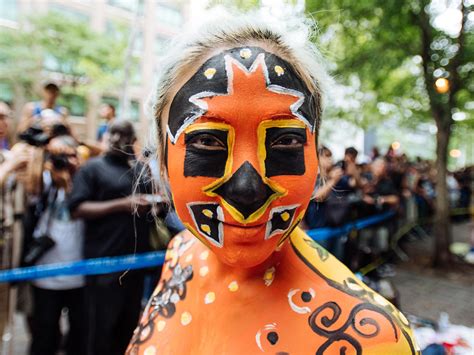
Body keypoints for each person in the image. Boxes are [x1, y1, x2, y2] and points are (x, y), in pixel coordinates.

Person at [127, 15, 418, 354]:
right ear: (163, 157)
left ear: (314, 154)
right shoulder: (182, 253)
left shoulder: (374, 340)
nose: (248, 193)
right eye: (207, 141)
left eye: (285, 142)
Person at [68, 120, 153, 355]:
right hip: (103, 266)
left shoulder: (139, 170)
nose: (116, 138)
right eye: (112, 133)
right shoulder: (92, 169)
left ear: (133, 140)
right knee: (98, 332)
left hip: (135, 268)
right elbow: (77, 209)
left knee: (126, 331)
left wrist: (154, 204)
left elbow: (151, 201)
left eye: (123, 134)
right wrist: (123, 205)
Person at [29, 135, 86, 355]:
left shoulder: (85, 179)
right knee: (44, 336)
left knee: (79, 335)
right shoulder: (44, 180)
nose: (64, 160)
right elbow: (31, 188)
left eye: (70, 155)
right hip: (45, 275)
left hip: (79, 274)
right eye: (57, 156)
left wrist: (70, 181)